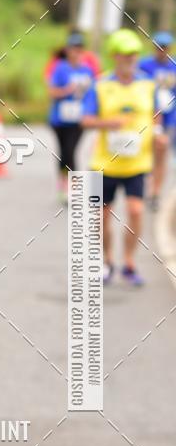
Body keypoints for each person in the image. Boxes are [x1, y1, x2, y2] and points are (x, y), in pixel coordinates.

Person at [81, 28, 167, 286]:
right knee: (102, 216)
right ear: (114, 56)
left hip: (137, 163)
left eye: (134, 54)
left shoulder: (148, 85)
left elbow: (157, 115)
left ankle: (129, 261)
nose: (130, 59)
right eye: (125, 54)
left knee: (136, 210)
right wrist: (109, 123)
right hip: (103, 164)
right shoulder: (100, 85)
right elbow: (85, 121)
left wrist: (159, 134)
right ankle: (107, 262)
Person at [47, 31, 96, 202]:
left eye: (79, 48)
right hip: (60, 120)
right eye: (73, 48)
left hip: (78, 120)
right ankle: (63, 185)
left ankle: (72, 189)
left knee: (71, 151)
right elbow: (52, 92)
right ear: (67, 50)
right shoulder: (60, 68)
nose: (76, 51)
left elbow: (93, 93)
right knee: (63, 153)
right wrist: (67, 90)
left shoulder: (87, 70)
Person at [138, 30, 176, 207]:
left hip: (169, 117)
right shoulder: (144, 65)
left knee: (161, 152)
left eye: (166, 47)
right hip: (147, 116)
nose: (162, 50)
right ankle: (145, 183)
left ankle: (155, 192)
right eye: (159, 47)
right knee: (146, 152)